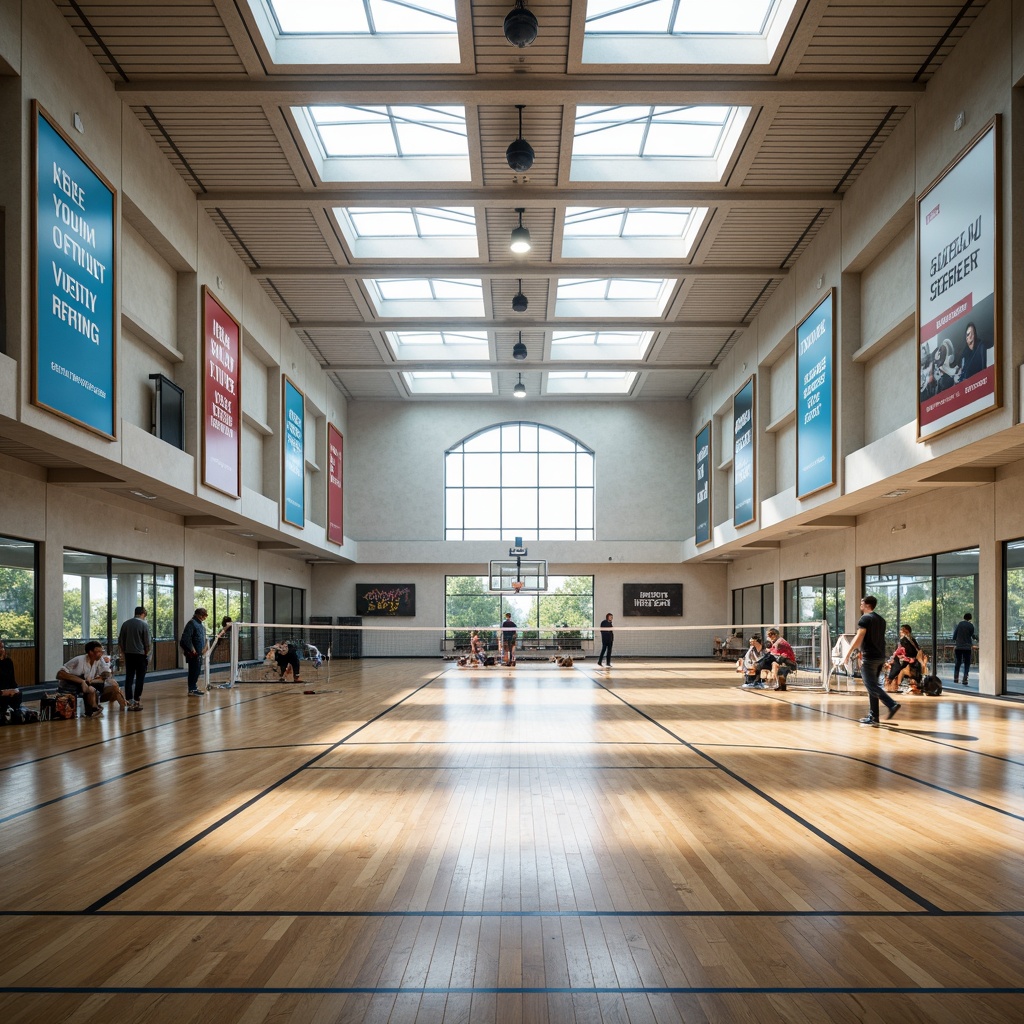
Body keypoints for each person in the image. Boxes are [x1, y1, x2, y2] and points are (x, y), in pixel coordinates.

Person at [841, 595, 900, 725]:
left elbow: (859, 636)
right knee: (872, 687)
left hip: (870, 657)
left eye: (862, 603)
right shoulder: (881, 620)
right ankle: (874, 717)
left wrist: (847, 654)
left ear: (867, 605)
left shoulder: (865, 618)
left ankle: (891, 704)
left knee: (871, 686)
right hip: (880, 657)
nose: (860, 605)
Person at [57, 640, 128, 715]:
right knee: (90, 689)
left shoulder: (99, 659)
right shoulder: (79, 660)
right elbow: (60, 674)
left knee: (114, 686)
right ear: (91, 652)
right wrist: (81, 681)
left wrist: (105, 675)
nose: (101, 654)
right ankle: (93, 708)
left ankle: (124, 708)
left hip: (89, 683)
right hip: (73, 684)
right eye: (99, 652)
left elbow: (106, 673)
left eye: (101, 651)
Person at [118, 605, 152, 711]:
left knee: (129, 677)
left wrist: (124, 653)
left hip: (129, 654)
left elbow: (120, 641)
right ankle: (137, 699)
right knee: (140, 678)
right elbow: (147, 642)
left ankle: (129, 699)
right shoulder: (144, 624)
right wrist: (147, 653)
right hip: (140, 655)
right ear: (143, 614)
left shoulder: (125, 624)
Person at [179, 607, 209, 696]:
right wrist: (192, 650)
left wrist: (204, 648)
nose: (205, 617)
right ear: (199, 615)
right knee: (193, 671)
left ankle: (194, 687)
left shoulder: (200, 625)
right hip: (193, 654)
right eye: (204, 615)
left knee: (197, 671)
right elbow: (185, 639)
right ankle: (191, 689)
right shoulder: (192, 623)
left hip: (199, 653)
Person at [884, 624, 919, 692]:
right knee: (894, 662)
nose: (900, 631)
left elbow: (907, 651)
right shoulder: (908, 639)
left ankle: (890, 681)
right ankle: (891, 682)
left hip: (907, 658)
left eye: (901, 630)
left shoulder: (906, 640)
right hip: (907, 657)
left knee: (896, 664)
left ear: (906, 631)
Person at [0, 639, 23, 722]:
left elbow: (12, 681)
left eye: (2, 647)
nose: (1, 649)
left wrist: (15, 690)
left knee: (18, 695)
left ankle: (12, 712)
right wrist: (3, 692)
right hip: (1, 692)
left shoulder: (8, 662)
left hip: (7, 690)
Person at [951, 611, 976, 685]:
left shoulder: (960, 624)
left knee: (958, 662)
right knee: (967, 663)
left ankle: (956, 678)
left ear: (964, 617)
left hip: (958, 647)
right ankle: (965, 678)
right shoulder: (971, 625)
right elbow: (972, 635)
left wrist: (956, 640)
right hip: (967, 647)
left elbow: (955, 635)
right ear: (970, 618)